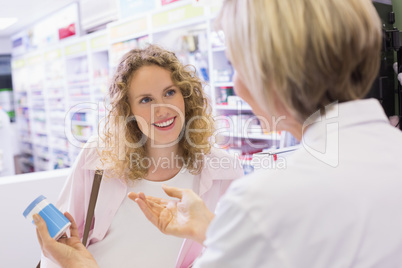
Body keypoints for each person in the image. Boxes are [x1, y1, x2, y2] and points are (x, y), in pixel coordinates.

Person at [35, 0, 402, 267]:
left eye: (237, 65)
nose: (238, 86)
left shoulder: (263, 201)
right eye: (145, 99)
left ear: (272, 74)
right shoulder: (391, 153)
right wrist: (214, 231)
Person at [39, 44, 243, 268]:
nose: (163, 109)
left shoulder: (222, 169)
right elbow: (63, 242)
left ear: (185, 96)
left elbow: (235, 250)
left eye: (169, 92)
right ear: (129, 111)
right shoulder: (98, 156)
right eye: (146, 100)